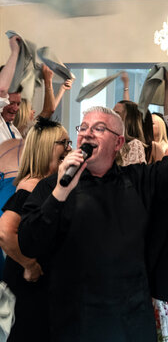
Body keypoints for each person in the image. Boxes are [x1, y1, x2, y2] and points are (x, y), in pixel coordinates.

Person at [18, 105, 168, 342]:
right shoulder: (51, 187)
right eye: (83, 127)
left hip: (130, 320)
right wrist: (60, 192)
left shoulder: (140, 181)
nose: (87, 134)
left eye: (99, 129)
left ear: (118, 143)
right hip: (76, 321)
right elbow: (28, 242)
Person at [0, 66, 68, 281]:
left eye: (18, 104)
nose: (14, 108)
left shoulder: (13, 135)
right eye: (10, 103)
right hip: (2, 217)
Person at [0, 117, 71, 342]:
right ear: (45, 147)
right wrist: (29, 265)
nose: (69, 148)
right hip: (28, 284)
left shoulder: (48, 183)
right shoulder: (32, 186)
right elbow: (3, 231)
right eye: (63, 143)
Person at [113, 100, 147, 165]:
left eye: (116, 113)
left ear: (129, 119)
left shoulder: (134, 145)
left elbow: (134, 173)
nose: (111, 116)